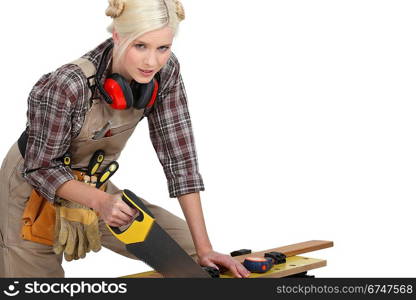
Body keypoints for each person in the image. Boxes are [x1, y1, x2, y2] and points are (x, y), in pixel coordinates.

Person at [0, 0, 250, 278]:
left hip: (92, 182)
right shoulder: (68, 85)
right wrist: (100, 202)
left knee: (193, 263)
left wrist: (205, 248)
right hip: (30, 190)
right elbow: (41, 167)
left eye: (163, 48)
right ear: (118, 36)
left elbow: (181, 160)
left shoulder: (164, 73)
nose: (151, 61)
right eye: (140, 46)